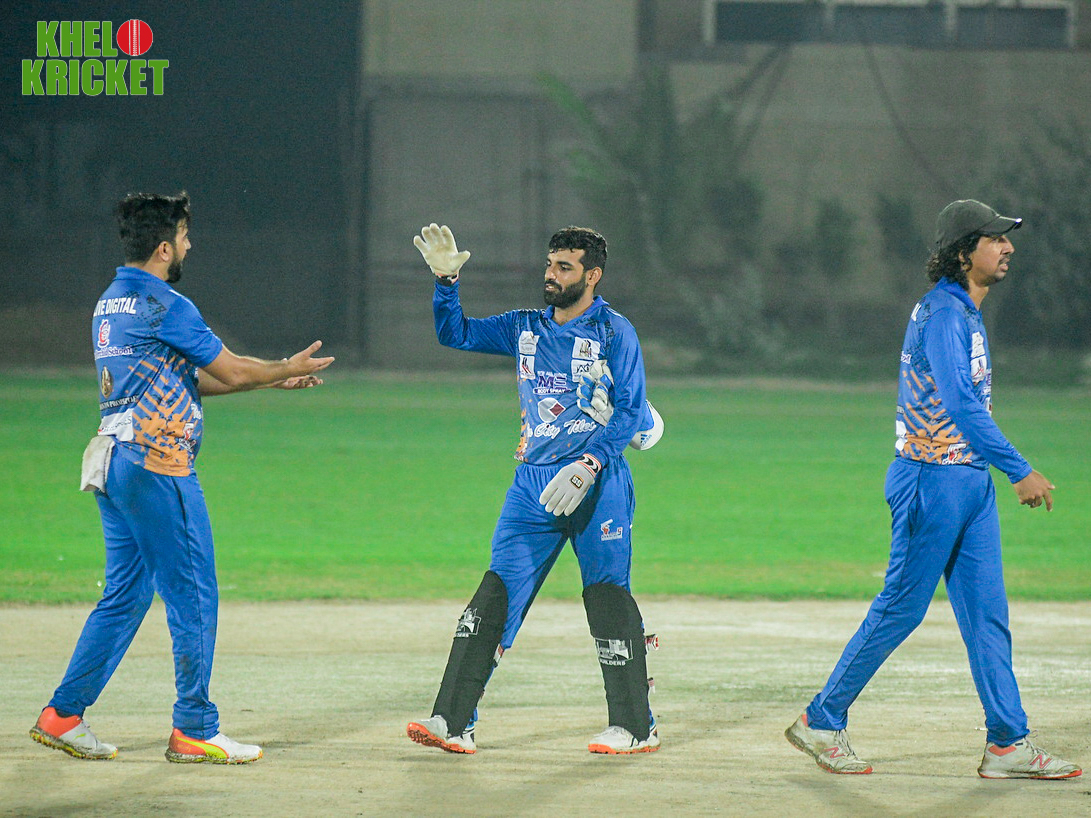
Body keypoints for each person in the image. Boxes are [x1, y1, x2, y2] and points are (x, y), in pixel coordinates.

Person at [30, 192, 334, 764]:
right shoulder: (165, 303)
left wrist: (268, 380)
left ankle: (63, 715)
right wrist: (281, 367)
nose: (190, 246)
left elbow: (183, 381)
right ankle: (194, 727)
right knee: (193, 593)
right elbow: (231, 369)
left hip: (115, 460)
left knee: (126, 595)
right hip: (157, 464)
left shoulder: (111, 301)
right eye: (186, 237)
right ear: (165, 247)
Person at [785, 199, 1082, 780]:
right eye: (995, 239)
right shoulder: (944, 313)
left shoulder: (964, 311)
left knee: (988, 615)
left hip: (968, 484)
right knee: (902, 607)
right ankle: (821, 719)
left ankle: (1007, 743)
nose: (1008, 247)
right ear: (964, 251)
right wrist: (1018, 468)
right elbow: (962, 405)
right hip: (931, 481)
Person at [406, 223, 663, 755]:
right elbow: (455, 334)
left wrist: (589, 463)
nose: (551, 275)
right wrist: (446, 282)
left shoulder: (616, 332)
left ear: (592, 276)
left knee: (607, 597)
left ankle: (635, 727)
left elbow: (632, 413)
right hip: (532, 484)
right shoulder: (525, 327)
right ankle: (452, 720)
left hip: (597, 483)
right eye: (550, 264)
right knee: (495, 594)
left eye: (564, 267)